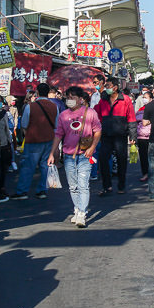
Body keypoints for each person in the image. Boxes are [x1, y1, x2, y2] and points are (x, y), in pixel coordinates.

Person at [48, 87, 101, 228]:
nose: (69, 100)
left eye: (72, 97)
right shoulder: (63, 115)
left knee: (83, 184)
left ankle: (82, 213)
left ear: (80, 99)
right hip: (68, 155)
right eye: (67, 97)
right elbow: (58, 134)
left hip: (85, 154)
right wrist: (52, 153)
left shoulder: (90, 113)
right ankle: (77, 209)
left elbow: (98, 131)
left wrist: (92, 148)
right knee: (73, 186)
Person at [13, 83, 58, 200]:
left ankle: (22, 191)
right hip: (49, 139)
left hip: (33, 139)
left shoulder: (30, 106)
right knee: (45, 166)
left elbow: (24, 124)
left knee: (28, 166)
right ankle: (42, 190)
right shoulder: (54, 106)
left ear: (37, 92)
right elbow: (56, 125)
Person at [95, 77, 136, 196]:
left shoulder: (126, 99)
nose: (106, 88)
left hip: (120, 135)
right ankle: (106, 186)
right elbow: (97, 116)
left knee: (121, 160)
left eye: (108, 85)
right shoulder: (103, 100)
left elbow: (131, 118)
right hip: (106, 135)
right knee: (103, 159)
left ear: (115, 87)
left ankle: (121, 185)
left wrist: (133, 136)